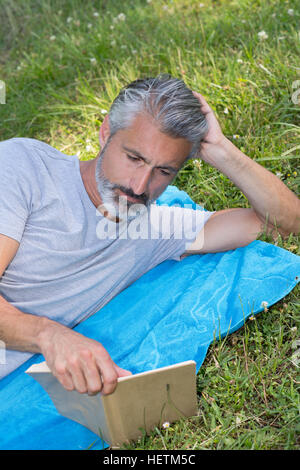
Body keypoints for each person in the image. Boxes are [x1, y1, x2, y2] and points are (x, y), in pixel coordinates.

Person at [0, 75, 299, 396]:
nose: (140, 186)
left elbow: (282, 222)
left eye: (164, 171)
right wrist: (49, 335)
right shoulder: (25, 167)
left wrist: (221, 150)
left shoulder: (157, 228)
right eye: (134, 158)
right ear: (105, 133)